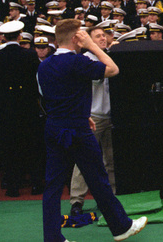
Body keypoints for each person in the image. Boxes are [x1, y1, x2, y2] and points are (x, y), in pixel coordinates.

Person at [37, 19, 146, 242]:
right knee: (98, 179)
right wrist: (93, 46)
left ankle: (52, 237)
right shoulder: (77, 61)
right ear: (77, 38)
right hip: (77, 130)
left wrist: (81, 113)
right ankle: (121, 227)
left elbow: (50, 95)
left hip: (55, 126)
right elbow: (113, 69)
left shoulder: (44, 64)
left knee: (53, 185)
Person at [68, 25, 117, 217]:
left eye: (104, 36)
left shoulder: (108, 57)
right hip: (92, 116)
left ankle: (112, 196)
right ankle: (77, 200)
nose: (103, 39)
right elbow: (98, 79)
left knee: (110, 160)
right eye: (98, 36)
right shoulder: (86, 60)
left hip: (109, 115)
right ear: (89, 40)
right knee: (84, 160)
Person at [0, 20, 44, 197]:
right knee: (31, 145)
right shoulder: (30, 55)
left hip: (6, 107)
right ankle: (35, 184)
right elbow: (37, 81)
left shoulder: (0, 56)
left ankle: (12, 186)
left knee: (10, 146)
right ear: (19, 36)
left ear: (3, 37)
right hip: (27, 106)